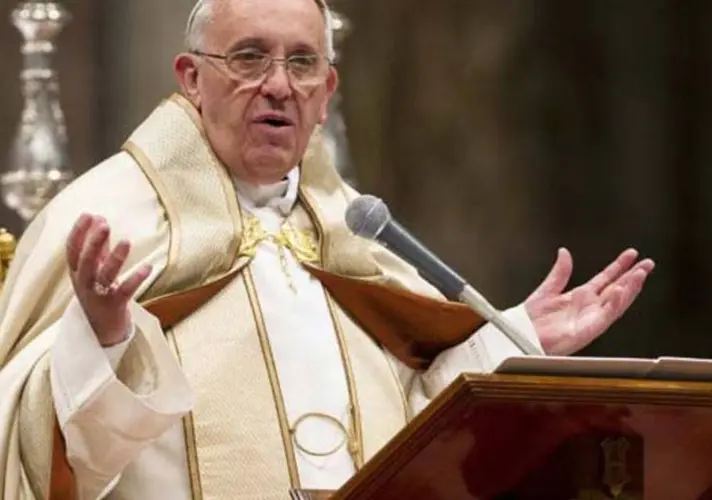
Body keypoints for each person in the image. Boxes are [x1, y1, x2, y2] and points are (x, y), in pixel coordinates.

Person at [0, 0, 655, 498]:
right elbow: (40, 451)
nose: (279, 85)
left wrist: (505, 343)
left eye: (303, 62)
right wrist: (103, 342)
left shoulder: (356, 233)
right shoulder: (105, 221)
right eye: (250, 57)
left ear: (326, 92)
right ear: (191, 78)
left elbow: (416, 436)